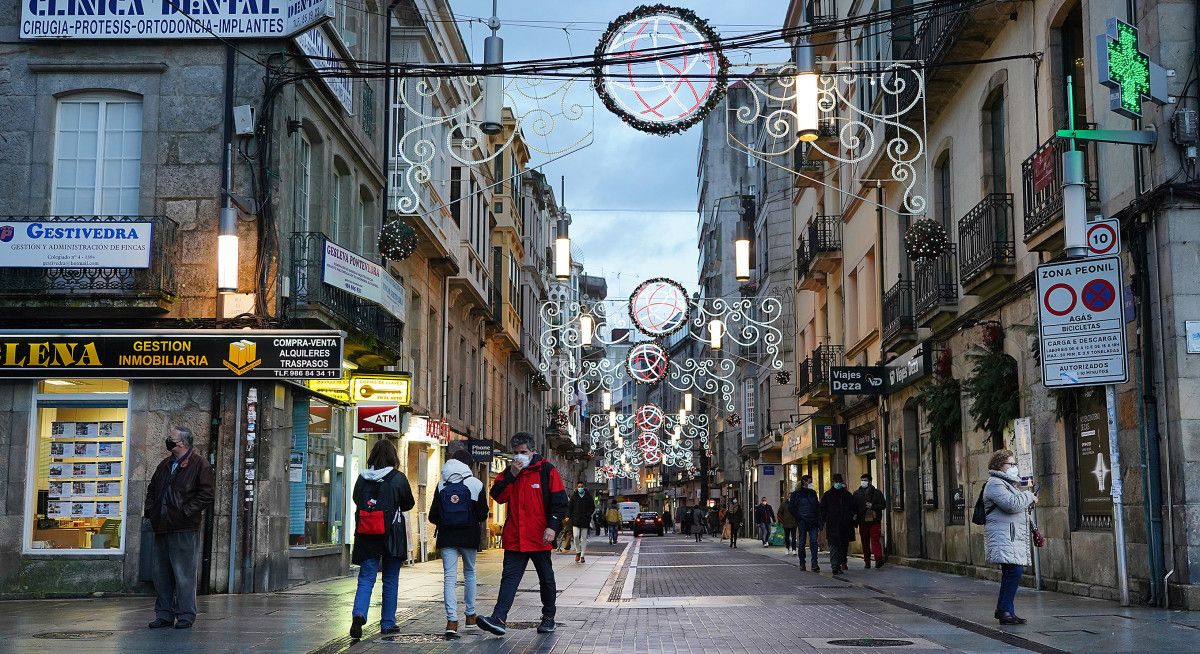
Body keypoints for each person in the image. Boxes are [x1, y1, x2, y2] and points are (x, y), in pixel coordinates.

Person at [476, 433, 569, 637]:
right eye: (516, 453)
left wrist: (552, 526)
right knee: (509, 579)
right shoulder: (510, 472)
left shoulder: (546, 470)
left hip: (540, 536)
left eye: (524, 453)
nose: (519, 457)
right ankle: (498, 618)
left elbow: (560, 502)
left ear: (533, 451)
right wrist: (512, 476)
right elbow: (497, 497)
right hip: (515, 537)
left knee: (546, 578)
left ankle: (548, 618)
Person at [144, 426, 214, 630]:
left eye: (171, 438)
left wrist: (185, 512)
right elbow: (152, 490)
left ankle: (185, 614)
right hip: (162, 526)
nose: (168, 440)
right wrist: (151, 510)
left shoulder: (199, 464)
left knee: (184, 574)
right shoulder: (165, 465)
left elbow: (206, 495)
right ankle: (164, 614)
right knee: (161, 574)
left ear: (182, 443)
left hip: (184, 527)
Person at [350, 439, 416, 639]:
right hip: (391, 534)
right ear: (393, 457)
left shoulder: (362, 478)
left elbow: (356, 499)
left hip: (367, 533)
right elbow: (409, 503)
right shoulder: (398, 478)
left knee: (366, 577)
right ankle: (387, 623)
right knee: (390, 579)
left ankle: (359, 613)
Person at [428, 449, 488, 641]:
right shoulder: (476, 484)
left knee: (449, 578)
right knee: (470, 573)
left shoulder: (441, 484)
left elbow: (432, 516)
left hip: (447, 537)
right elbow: (482, 515)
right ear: (469, 466)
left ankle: (451, 621)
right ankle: (470, 616)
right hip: (469, 536)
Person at [984, 449, 1037, 626]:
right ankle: (1004, 610)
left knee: (1012, 572)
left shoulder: (1007, 484)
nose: (1014, 467)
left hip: (1010, 535)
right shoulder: (995, 484)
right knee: (1014, 571)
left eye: (1015, 464)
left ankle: (1007, 610)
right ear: (1000, 465)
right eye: (1011, 464)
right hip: (1004, 536)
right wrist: (1029, 495)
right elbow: (1011, 505)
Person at [820, 474, 857, 575]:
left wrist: (853, 519)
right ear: (833, 482)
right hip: (832, 524)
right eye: (836, 482)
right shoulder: (827, 495)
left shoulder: (847, 495)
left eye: (839, 482)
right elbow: (823, 509)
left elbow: (853, 509)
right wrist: (823, 520)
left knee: (843, 546)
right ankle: (835, 566)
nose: (838, 484)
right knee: (833, 545)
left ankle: (841, 562)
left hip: (845, 525)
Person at [853, 473, 887, 568]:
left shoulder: (877, 493)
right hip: (862, 521)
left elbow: (883, 505)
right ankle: (867, 561)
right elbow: (854, 507)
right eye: (862, 480)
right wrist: (855, 517)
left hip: (874, 521)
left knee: (875, 540)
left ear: (870, 481)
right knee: (865, 542)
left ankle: (878, 559)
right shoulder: (856, 494)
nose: (863, 482)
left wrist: (873, 506)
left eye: (865, 480)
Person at [788, 475, 822, 571]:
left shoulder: (813, 493)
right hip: (802, 521)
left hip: (813, 521)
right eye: (810, 482)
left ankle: (814, 563)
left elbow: (817, 507)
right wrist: (799, 518)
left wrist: (819, 520)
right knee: (802, 542)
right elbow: (791, 507)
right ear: (804, 482)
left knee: (814, 542)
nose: (811, 484)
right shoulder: (796, 494)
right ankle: (802, 563)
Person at [568, 481, 594, 562]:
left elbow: (592, 507)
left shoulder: (588, 496)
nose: (580, 488)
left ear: (584, 487)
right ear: (576, 487)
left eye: (581, 486)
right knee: (575, 536)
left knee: (584, 538)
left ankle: (582, 555)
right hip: (575, 519)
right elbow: (570, 507)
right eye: (579, 486)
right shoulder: (574, 496)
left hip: (585, 520)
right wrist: (568, 516)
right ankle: (578, 552)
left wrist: (588, 514)